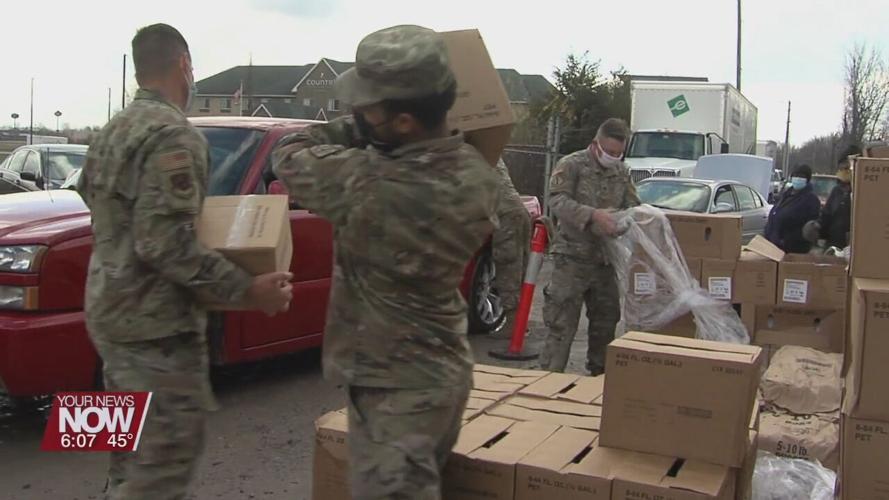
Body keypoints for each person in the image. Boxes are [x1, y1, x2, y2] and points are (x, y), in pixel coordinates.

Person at [271, 25, 500, 499]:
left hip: (394, 392)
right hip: (440, 371)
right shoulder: (476, 174)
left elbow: (287, 155)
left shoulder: (368, 182)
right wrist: (374, 121)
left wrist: (355, 129)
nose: (356, 112)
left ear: (404, 123)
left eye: (367, 107)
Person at [76, 24, 293, 499]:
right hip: (157, 335)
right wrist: (248, 291)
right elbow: (166, 244)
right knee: (160, 473)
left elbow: (89, 193)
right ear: (184, 65)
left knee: (127, 461)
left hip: (111, 320)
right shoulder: (175, 137)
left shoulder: (111, 131)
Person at [539, 118, 640, 376]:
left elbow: (634, 207)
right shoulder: (572, 164)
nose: (614, 157)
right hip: (572, 258)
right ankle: (547, 383)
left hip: (605, 261)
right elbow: (557, 200)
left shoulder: (622, 172)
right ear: (596, 145)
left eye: (619, 153)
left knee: (606, 325)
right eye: (609, 152)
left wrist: (622, 221)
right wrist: (592, 215)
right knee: (561, 324)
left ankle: (599, 385)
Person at [491, 158, 532, 338]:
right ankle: (520, 323)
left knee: (508, 268)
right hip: (516, 212)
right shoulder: (492, 153)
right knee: (521, 269)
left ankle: (514, 326)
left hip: (505, 216)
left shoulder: (474, 153)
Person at [804, 146, 860, 249]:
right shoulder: (837, 191)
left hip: (856, 250)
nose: (844, 172)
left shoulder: (864, 193)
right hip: (834, 249)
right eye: (841, 169)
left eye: (847, 169)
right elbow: (826, 217)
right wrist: (816, 227)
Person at [764, 163, 822, 254]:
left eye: (801, 176)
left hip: (793, 250)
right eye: (795, 175)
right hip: (774, 247)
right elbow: (774, 216)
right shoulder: (785, 195)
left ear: (807, 179)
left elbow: (810, 227)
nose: (797, 178)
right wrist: (767, 234)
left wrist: (786, 241)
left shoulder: (811, 200)